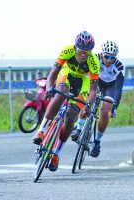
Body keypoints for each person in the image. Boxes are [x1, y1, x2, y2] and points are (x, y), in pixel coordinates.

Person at [32, 31, 100, 171]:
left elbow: (93, 89)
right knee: (61, 93)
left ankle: (56, 154)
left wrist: (88, 104)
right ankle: (41, 130)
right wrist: (49, 88)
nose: (83, 54)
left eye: (87, 52)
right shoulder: (67, 50)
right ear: (75, 47)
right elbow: (53, 73)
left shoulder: (93, 61)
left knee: (70, 116)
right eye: (81, 51)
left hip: (83, 82)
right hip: (66, 74)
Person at [71, 40, 125, 157]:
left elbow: (118, 89)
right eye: (107, 56)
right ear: (102, 54)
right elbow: (84, 75)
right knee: (88, 100)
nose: (110, 60)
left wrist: (115, 107)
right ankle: (79, 128)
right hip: (97, 82)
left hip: (111, 86)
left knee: (105, 110)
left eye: (112, 58)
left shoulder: (119, 66)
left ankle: (97, 142)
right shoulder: (94, 58)